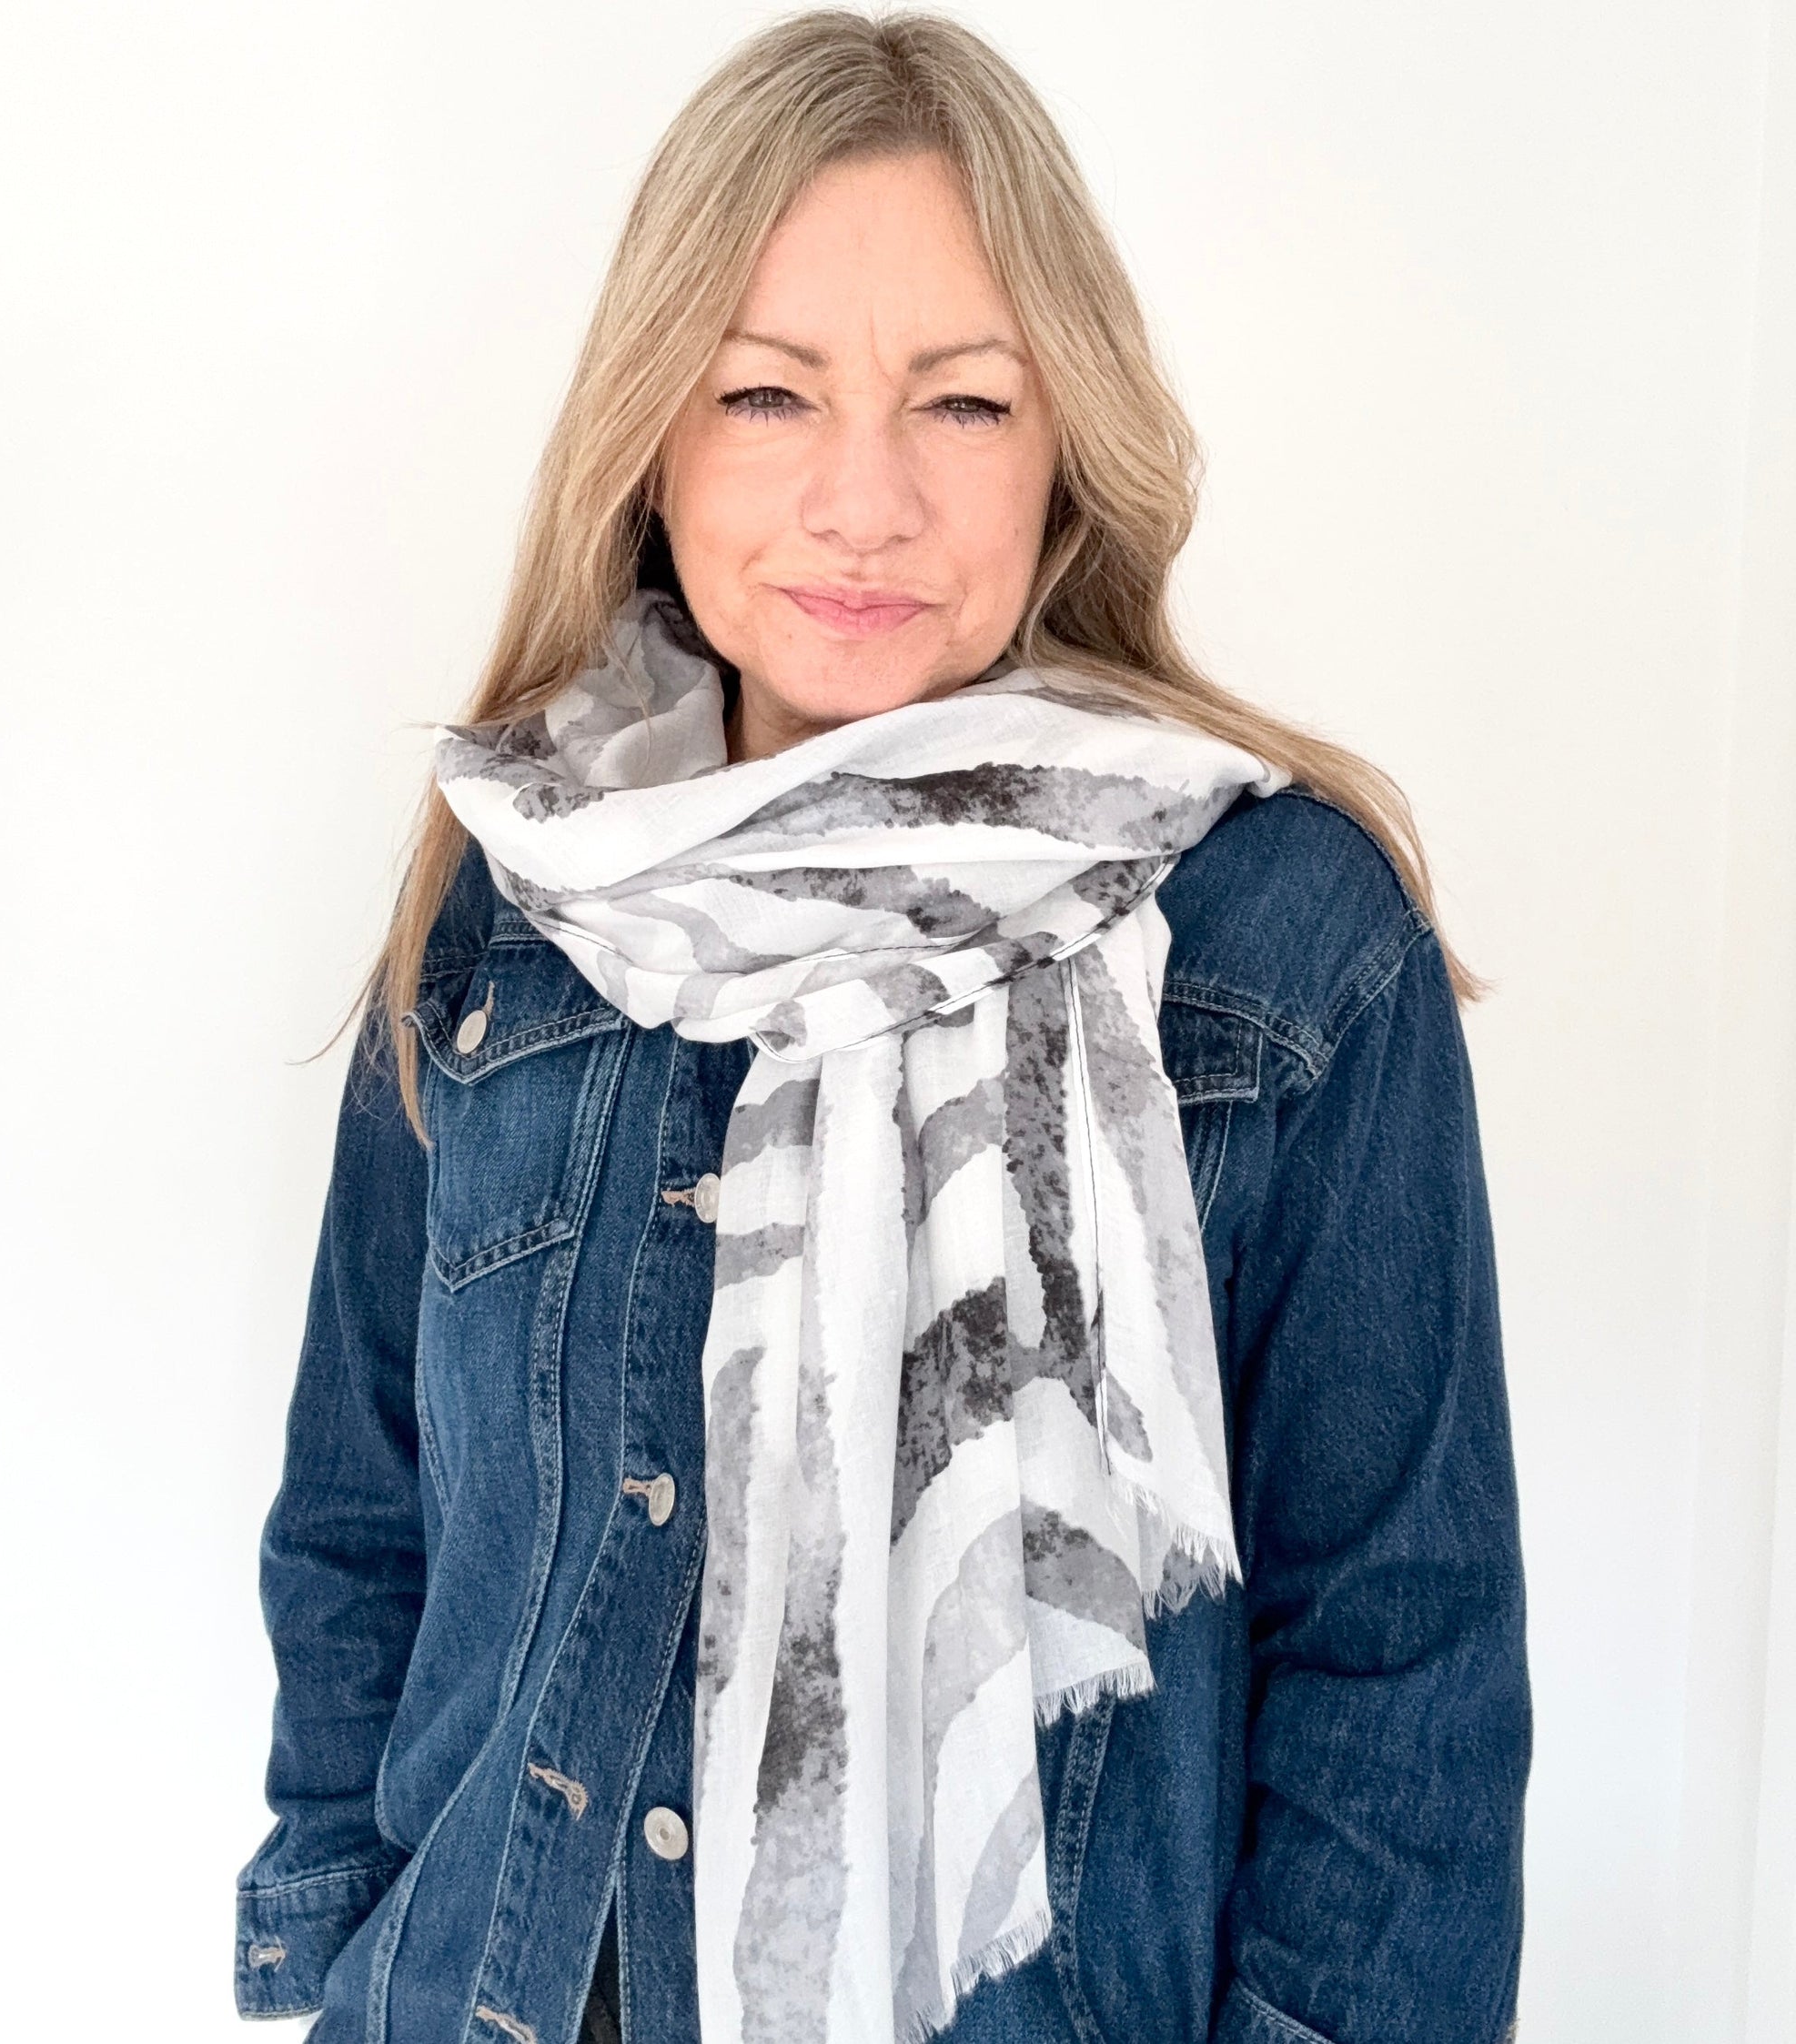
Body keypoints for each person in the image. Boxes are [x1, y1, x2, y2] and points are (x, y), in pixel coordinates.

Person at [235, 13, 1530, 2044]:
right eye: (767, 393)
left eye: (963, 402)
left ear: (1064, 446)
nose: (864, 501)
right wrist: (335, 1954)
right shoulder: (519, 894)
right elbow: (361, 1522)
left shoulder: (1284, 947)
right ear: (654, 445)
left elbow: (1400, 1681)